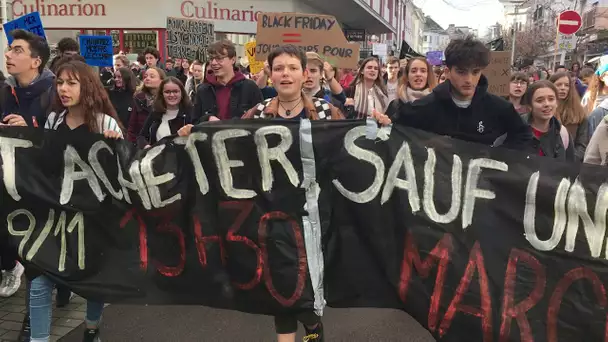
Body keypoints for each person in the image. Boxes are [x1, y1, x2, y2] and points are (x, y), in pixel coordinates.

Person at [239, 44, 342, 342]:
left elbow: (348, 149)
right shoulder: (257, 113)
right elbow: (231, 147)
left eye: (293, 68)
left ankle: (311, 327)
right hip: (269, 213)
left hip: (312, 215)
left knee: (306, 285)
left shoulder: (325, 111)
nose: (286, 74)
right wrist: (195, 133)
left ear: (304, 73)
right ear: (270, 75)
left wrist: (380, 129)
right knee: (278, 283)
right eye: (279, 68)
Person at [34, 61, 123, 342]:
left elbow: (120, 174)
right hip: (53, 215)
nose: (63, 89)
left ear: (87, 87)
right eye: (59, 82)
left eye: (71, 83)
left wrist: (115, 144)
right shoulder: (52, 121)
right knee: (39, 282)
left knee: (91, 279)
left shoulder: (104, 122)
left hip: (91, 217)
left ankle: (92, 327)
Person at [373, 35, 532, 149]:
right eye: (462, 72)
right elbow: (385, 135)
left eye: (475, 72)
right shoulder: (424, 107)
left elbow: (524, 137)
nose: (469, 79)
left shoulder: (499, 108)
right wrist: (379, 125)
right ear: (448, 72)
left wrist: (499, 159)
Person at [191, 39, 262, 123]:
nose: (213, 63)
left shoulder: (250, 87)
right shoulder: (203, 90)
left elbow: (260, 121)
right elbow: (194, 122)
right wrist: (207, 119)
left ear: (233, 59)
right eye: (211, 58)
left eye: (219, 58)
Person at [520, 80, 573, 160]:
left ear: (557, 103)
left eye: (551, 99)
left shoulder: (562, 133)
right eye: (540, 100)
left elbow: (569, 167)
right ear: (530, 106)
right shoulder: (515, 130)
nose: (547, 104)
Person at [138, 77, 192, 147]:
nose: (172, 95)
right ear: (162, 94)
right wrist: (146, 146)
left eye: (175, 91)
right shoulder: (155, 113)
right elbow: (141, 137)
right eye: (167, 92)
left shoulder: (190, 113)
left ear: (182, 93)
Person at [549, 72, 589, 161]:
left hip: (570, 163)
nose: (563, 88)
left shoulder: (579, 113)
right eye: (559, 84)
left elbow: (582, 144)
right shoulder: (545, 111)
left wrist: (571, 160)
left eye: (566, 85)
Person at [127, 67, 166, 142]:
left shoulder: (167, 99)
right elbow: (132, 127)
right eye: (145, 76)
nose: (147, 78)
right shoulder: (138, 98)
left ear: (162, 80)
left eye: (152, 76)